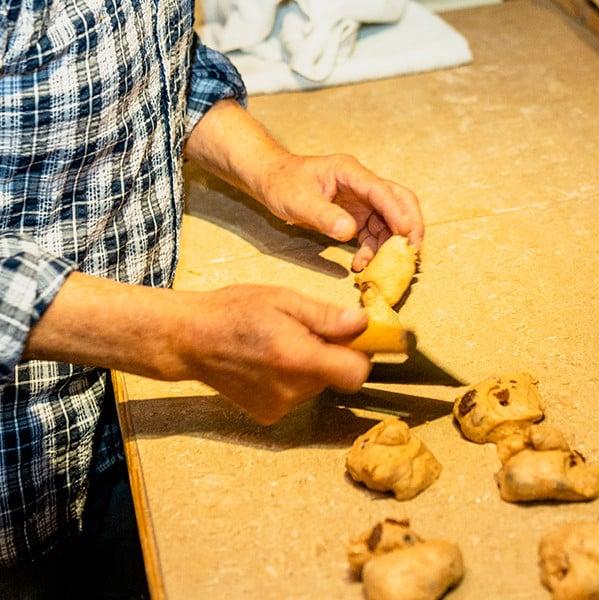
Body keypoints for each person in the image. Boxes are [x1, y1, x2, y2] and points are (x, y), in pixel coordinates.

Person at [0, 1, 424, 596]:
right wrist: (175, 337)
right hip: (17, 482)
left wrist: (270, 167)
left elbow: (150, 59)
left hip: (122, 424)